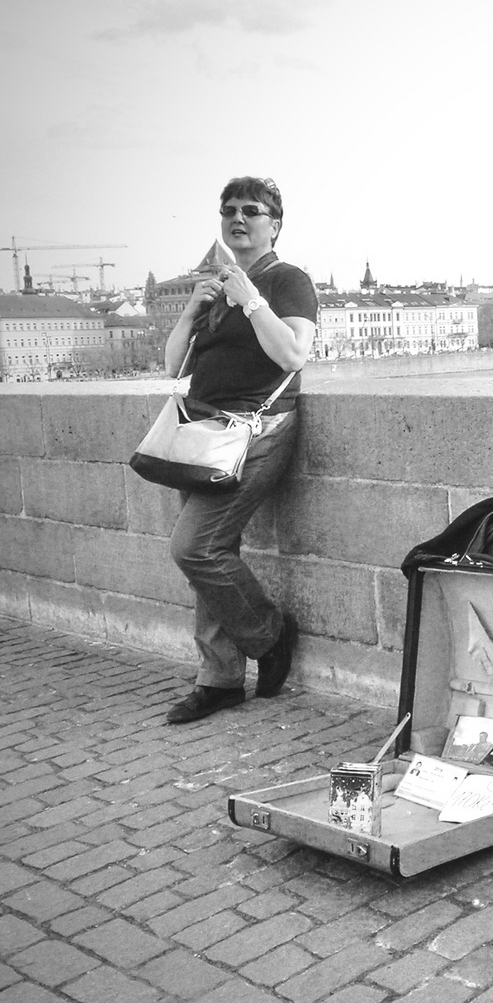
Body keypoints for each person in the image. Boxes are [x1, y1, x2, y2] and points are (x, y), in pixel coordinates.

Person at [162, 176, 318, 724]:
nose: (238, 218)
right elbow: (173, 367)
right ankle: (219, 679)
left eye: (251, 211)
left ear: (274, 224)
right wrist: (192, 310)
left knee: (196, 549)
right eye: (228, 210)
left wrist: (250, 300)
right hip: (204, 434)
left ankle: (269, 636)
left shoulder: (288, 280)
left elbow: (294, 353)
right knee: (208, 555)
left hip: (257, 433)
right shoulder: (218, 286)